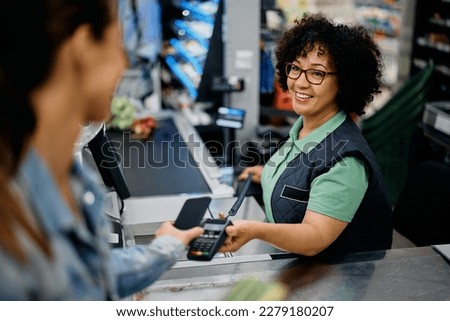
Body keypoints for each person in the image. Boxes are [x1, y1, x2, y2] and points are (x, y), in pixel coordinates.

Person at [0, 1, 203, 300]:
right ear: (84, 47)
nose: (125, 64)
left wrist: (165, 249)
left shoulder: (70, 180)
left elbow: (88, 274)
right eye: (116, 44)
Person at [221, 12, 393, 260]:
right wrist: (267, 173)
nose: (300, 83)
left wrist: (253, 230)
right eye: (296, 68)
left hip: (331, 283)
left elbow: (316, 237)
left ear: (345, 82)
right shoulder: (303, 128)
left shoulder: (346, 161)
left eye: (317, 73)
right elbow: (302, 176)